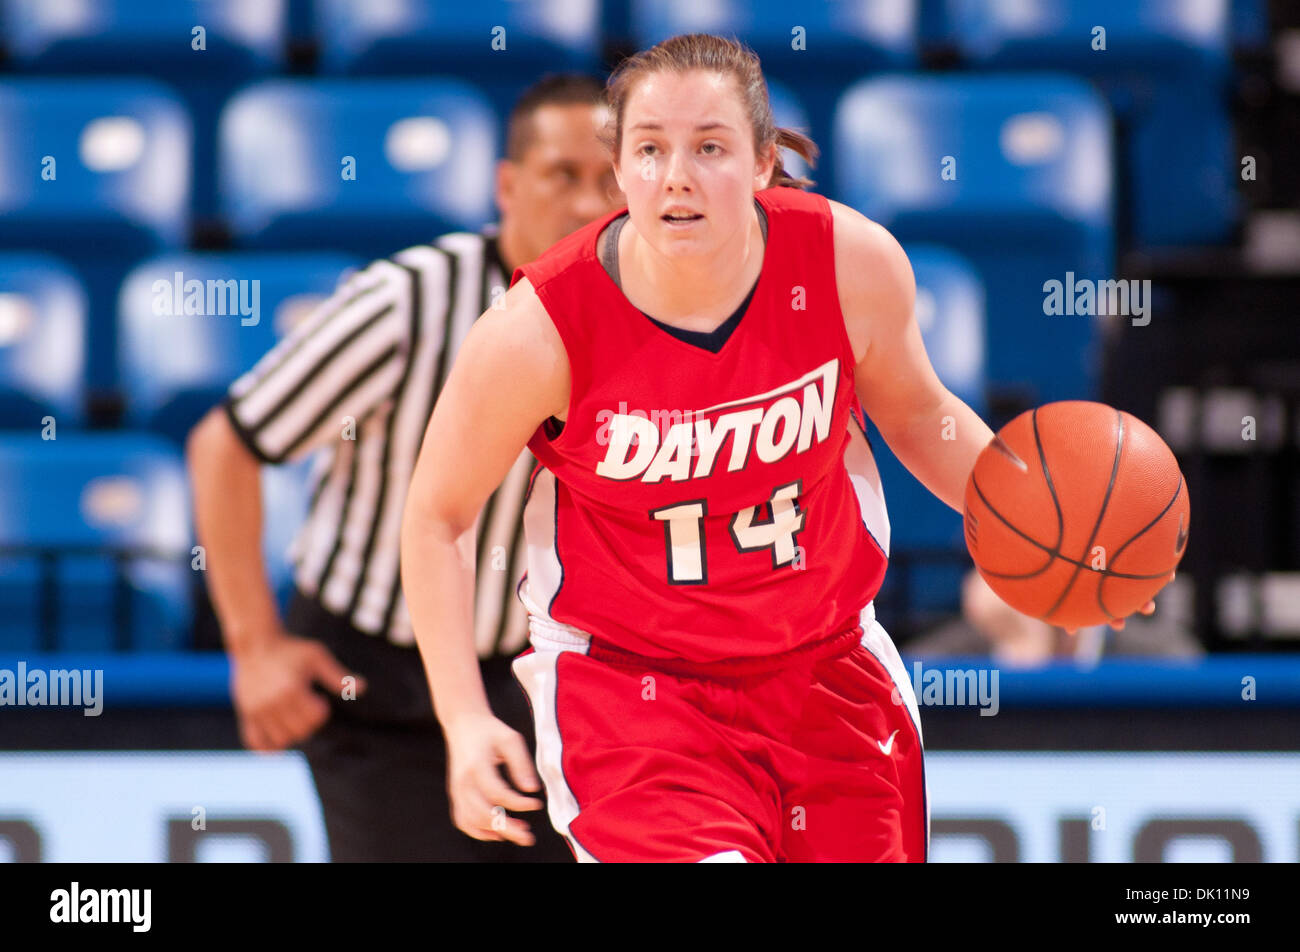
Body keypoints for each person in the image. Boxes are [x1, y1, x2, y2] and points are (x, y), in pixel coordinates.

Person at [399, 34, 1164, 862]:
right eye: (649, 149)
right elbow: (438, 515)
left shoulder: (849, 262)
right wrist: (464, 717)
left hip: (827, 669)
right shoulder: (537, 330)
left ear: (764, 161)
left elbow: (918, 418)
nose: (677, 176)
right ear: (618, 169)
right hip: (633, 694)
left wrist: (1058, 546)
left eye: (711, 147)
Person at [187, 74, 622, 862]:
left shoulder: (639, 312)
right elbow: (227, 442)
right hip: (378, 672)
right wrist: (253, 645)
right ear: (507, 184)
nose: (589, 205)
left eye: (608, 180)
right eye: (563, 176)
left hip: (543, 670)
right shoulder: (409, 299)